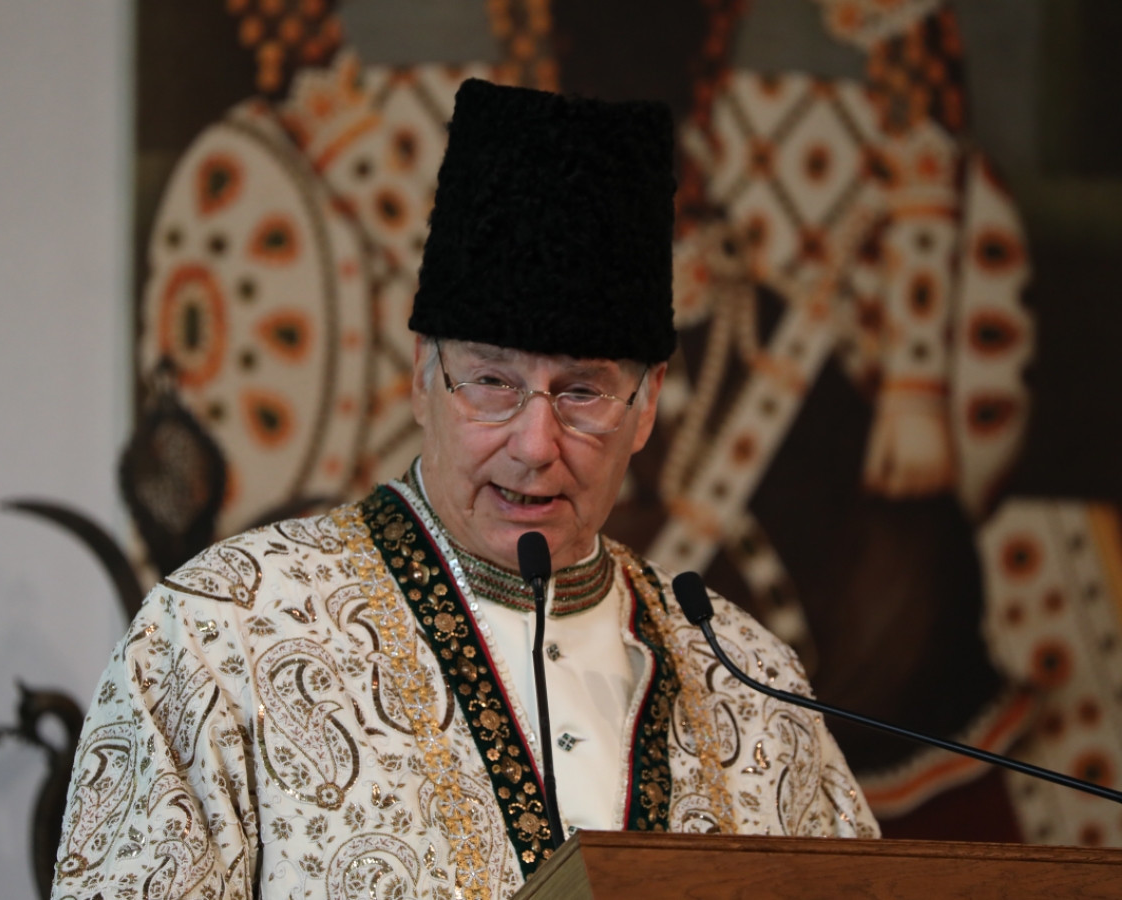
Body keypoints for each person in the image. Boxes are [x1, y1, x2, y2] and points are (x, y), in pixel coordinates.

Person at [51, 78, 877, 900]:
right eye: (491, 382)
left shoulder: (751, 683)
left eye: (583, 393)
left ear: (647, 403)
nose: (535, 444)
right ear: (422, 376)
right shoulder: (218, 635)